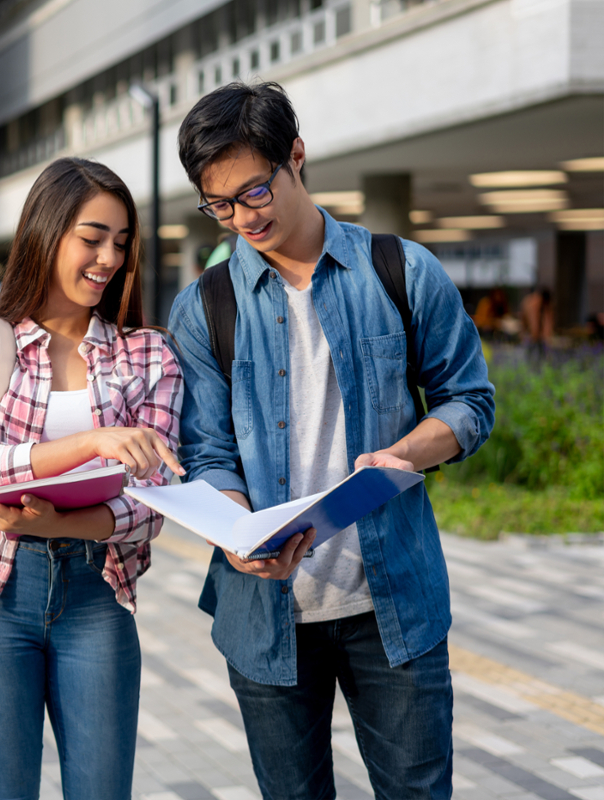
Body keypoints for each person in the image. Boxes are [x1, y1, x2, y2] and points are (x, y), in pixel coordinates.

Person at [168, 82, 495, 799]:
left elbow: (470, 400)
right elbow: (209, 450)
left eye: (253, 193)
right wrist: (233, 529)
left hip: (393, 607)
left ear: (297, 157)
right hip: (266, 618)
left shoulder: (401, 270)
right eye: (217, 205)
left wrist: (408, 453)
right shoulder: (204, 307)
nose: (240, 219)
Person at [0, 157, 185, 800]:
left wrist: (63, 522)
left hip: (96, 598)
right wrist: (92, 444)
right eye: (93, 237)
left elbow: (155, 503)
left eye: (122, 243)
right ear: (47, 233)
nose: (109, 257)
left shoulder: (149, 354)